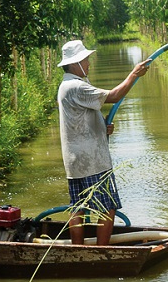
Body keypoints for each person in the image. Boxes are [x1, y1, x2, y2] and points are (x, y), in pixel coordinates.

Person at [56, 39, 150, 245]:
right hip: (91, 160)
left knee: (78, 206)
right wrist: (134, 74)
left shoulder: (67, 86)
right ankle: (101, 251)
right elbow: (114, 96)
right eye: (86, 60)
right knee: (107, 206)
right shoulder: (76, 86)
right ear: (75, 63)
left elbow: (80, 118)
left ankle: (78, 250)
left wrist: (102, 126)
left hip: (75, 160)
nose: (89, 64)